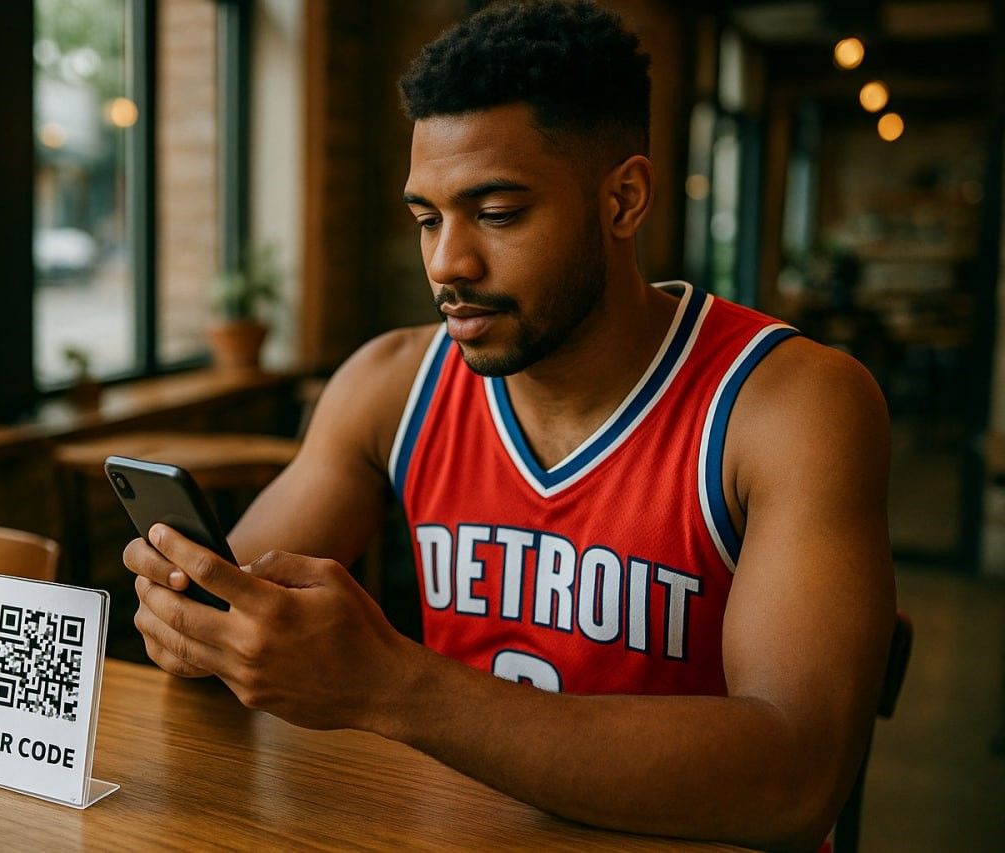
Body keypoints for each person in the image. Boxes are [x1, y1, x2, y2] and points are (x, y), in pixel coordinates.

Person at [124, 1, 895, 848]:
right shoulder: (391, 383)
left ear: (624, 200)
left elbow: (795, 778)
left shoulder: (790, 404)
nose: (448, 262)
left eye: (496, 213)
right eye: (428, 218)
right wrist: (192, 623)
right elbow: (229, 603)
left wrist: (391, 686)